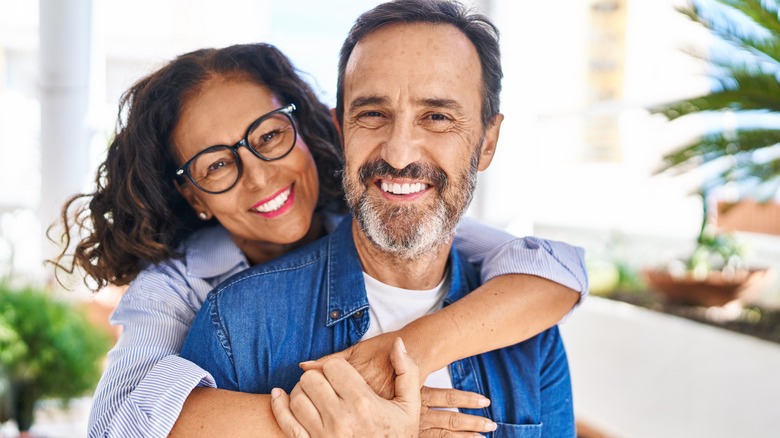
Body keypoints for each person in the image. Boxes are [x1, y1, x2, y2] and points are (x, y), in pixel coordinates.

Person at [50, 37, 586, 438]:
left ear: (305, 127)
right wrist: (344, 418)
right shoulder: (190, 295)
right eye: (216, 165)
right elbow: (120, 420)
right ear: (194, 195)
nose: (259, 175)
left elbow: (553, 271)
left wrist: (405, 353)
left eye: (269, 137)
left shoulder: (378, 211)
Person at [180, 0, 577, 436]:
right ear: (341, 129)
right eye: (372, 114)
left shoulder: (531, 336)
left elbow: (564, 268)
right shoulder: (240, 321)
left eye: (437, 117)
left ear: (486, 142)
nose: (398, 153)